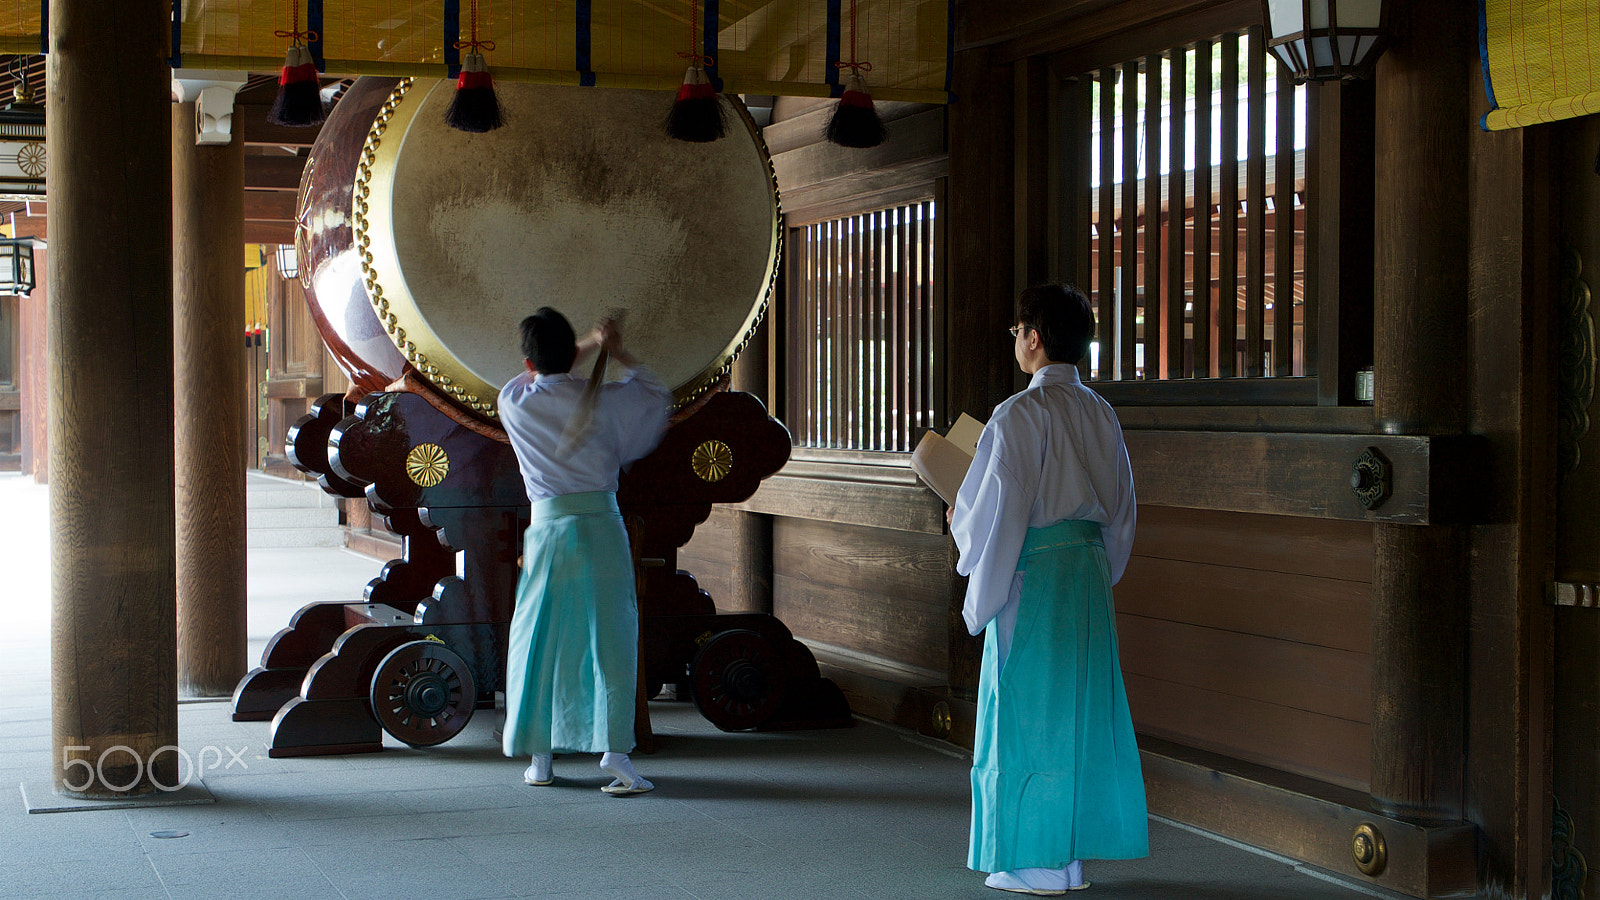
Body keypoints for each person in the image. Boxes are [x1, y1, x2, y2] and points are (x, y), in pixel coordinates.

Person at [949, 284, 1146, 894]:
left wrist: (979, 589)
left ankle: (1037, 859)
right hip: (1084, 576)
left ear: (1034, 338)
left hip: (1031, 576)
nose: (1016, 341)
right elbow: (1122, 513)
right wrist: (1100, 572)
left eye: (1018, 332)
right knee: (1079, 711)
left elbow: (994, 515)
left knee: (1026, 714)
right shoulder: (1099, 412)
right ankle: (1070, 856)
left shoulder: (1019, 414)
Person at [497, 307, 672, 795]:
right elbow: (656, 396)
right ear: (573, 355)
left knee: (538, 640)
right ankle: (616, 754)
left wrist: (589, 346)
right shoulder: (608, 401)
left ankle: (541, 757)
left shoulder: (514, 400)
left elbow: (540, 368)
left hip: (548, 533)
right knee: (610, 638)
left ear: (528, 363)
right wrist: (614, 349)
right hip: (601, 528)